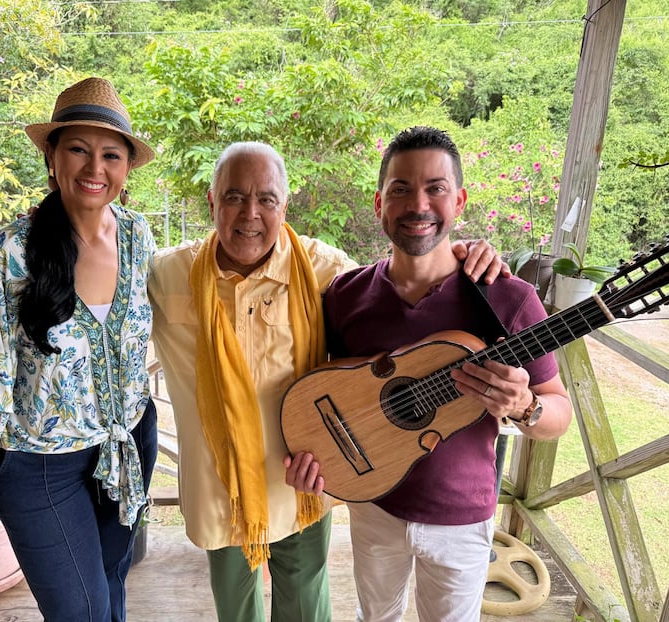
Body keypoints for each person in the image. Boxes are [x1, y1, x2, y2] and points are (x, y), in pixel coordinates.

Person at [148, 141, 507, 622]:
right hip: (221, 486)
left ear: (284, 206)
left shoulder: (326, 271)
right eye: (234, 197)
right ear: (212, 201)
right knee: (234, 610)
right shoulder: (167, 274)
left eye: (266, 199)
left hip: (305, 479)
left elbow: (397, 296)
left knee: (305, 607)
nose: (250, 214)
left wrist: (462, 256)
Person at [286, 126, 572, 622]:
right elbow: (326, 389)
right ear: (380, 203)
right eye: (401, 189)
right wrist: (311, 456)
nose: (418, 205)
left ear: (458, 201)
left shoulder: (509, 298)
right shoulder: (345, 296)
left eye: (435, 188)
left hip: (462, 518)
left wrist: (525, 407)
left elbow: (559, 413)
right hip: (373, 504)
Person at [0, 77, 158, 622]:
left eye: (111, 155)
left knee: (112, 584)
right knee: (80, 611)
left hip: (128, 443)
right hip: (42, 465)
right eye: (78, 149)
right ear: (52, 156)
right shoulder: (13, 251)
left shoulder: (138, 238)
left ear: (127, 168)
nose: (95, 168)